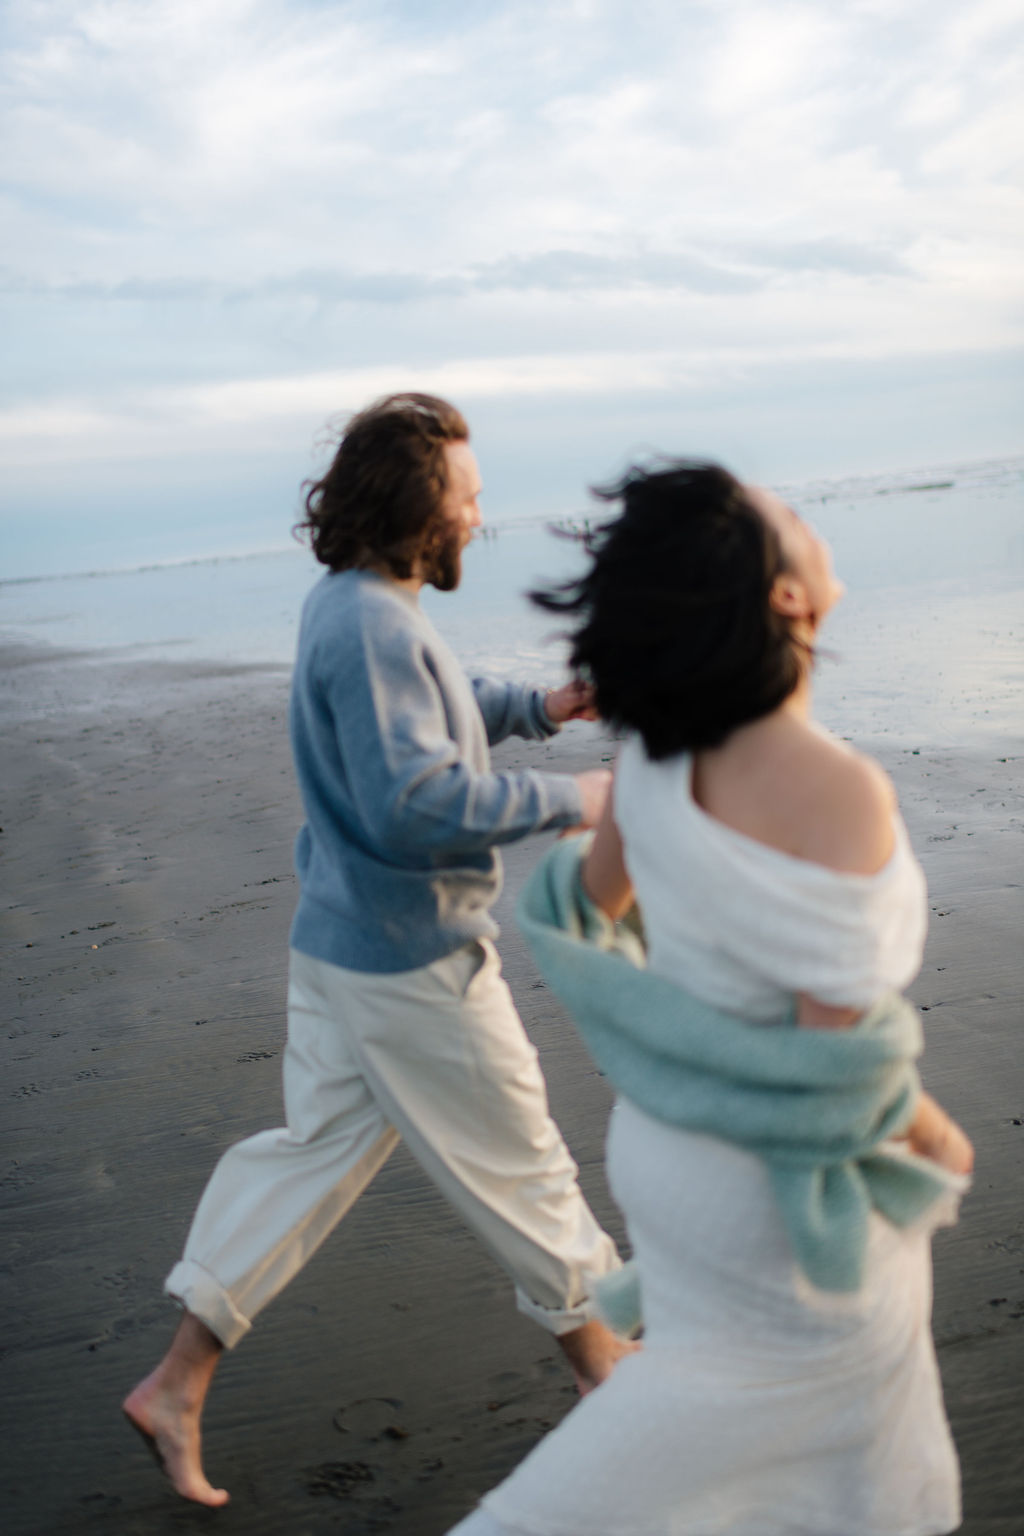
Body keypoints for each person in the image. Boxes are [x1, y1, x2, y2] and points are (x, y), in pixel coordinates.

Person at [448, 461, 973, 1536]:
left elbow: (578, 913)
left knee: (721, 1477)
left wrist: (682, 1031)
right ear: (783, 596)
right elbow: (836, 1075)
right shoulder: (837, 790)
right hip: (780, 1213)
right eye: (790, 518)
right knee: (830, 1485)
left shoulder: (654, 758)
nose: (807, 520)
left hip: (666, 1167)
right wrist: (933, 1134)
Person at [122, 393, 629, 1507]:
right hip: (409, 962)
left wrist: (541, 705)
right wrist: (571, 801)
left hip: (342, 945)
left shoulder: (354, 602)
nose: (477, 519)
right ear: (416, 510)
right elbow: (414, 800)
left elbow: (434, 709)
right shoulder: (370, 623)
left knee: (308, 1161)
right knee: (524, 1163)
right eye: (467, 499)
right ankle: (611, 1379)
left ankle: (176, 1384)